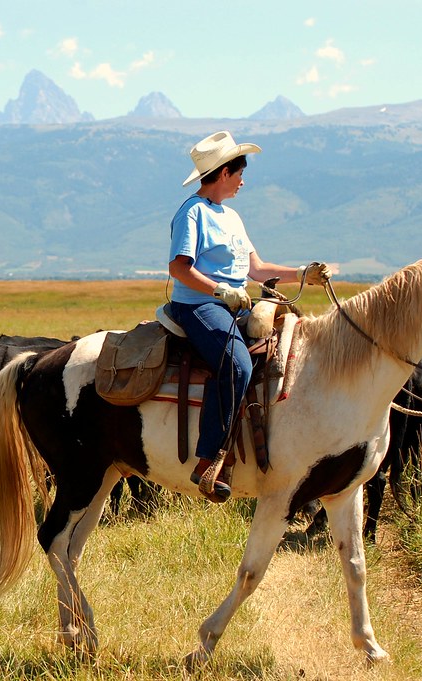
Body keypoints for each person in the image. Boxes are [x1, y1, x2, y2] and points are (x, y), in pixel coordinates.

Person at [166, 131, 331, 502]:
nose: (244, 179)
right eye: (240, 171)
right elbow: (179, 268)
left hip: (233, 304)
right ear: (223, 172)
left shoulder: (232, 217)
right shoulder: (192, 213)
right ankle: (208, 459)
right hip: (199, 306)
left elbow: (257, 269)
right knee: (237, 365)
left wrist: (304, 274)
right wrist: (220, 290)